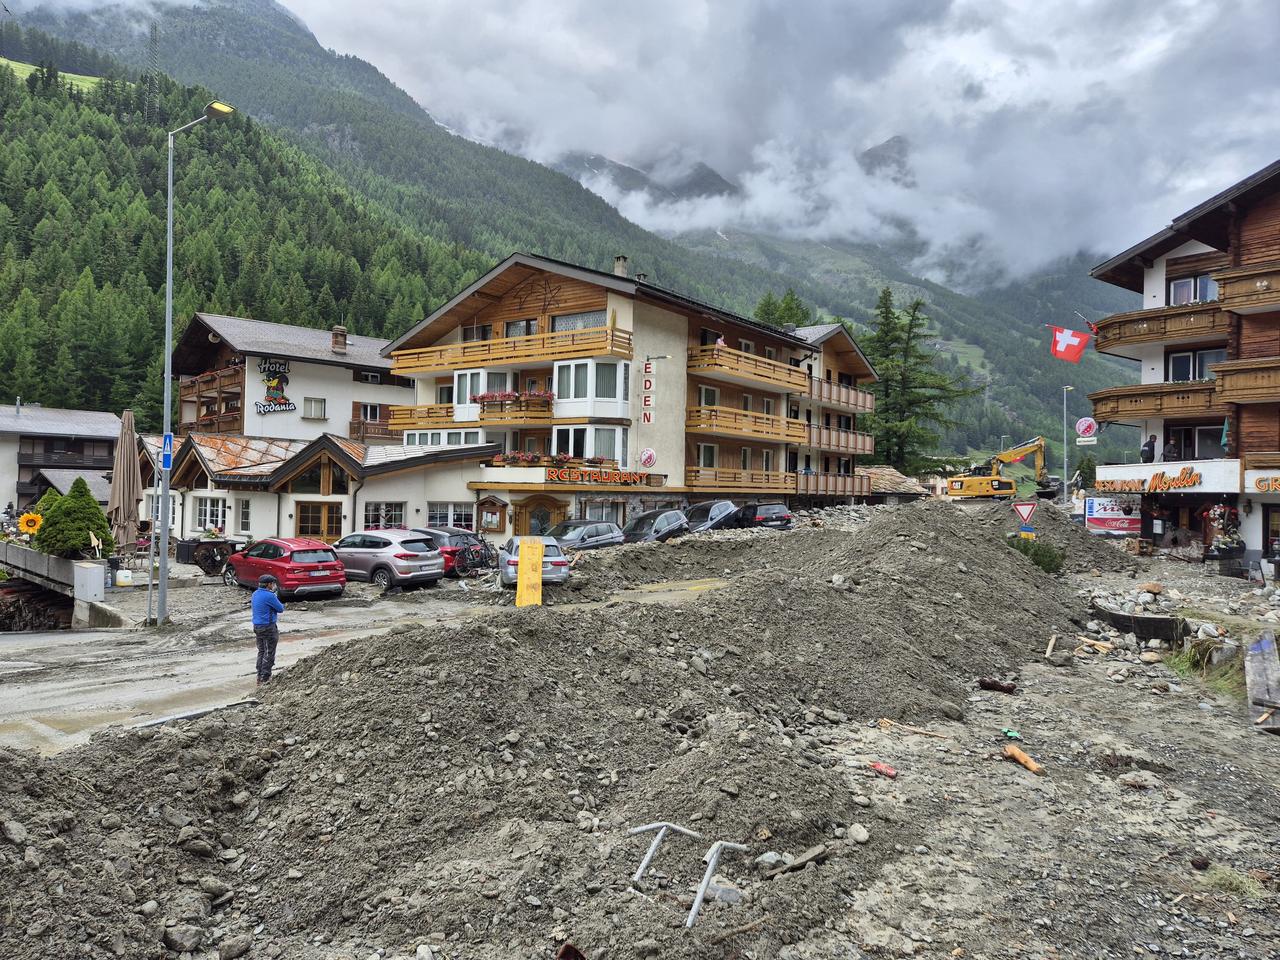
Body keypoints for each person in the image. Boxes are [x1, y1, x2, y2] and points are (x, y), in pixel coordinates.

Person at [251, 574, 285, 685]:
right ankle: (265, 677)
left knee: (261, 651)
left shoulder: (255, 594)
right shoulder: (269, 596)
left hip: (257, 627)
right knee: (269, 652)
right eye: (273, 584)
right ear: (268, 584)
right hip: (268, 627)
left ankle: (259, 674)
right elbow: (280, 608)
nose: (274, 586)